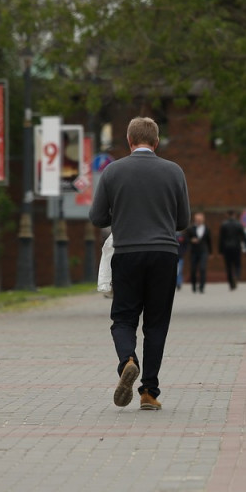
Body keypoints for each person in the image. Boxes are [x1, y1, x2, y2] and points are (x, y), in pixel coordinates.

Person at [90, 116, 191, 411]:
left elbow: (97, 218)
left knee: (123, 318)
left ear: (129, 141)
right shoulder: (174, 171)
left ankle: (127, 360)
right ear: (156, 142)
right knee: (156, 324)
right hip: (164, 253)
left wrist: (121, 214)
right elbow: (183, 221)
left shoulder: (113, 172)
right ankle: (149, 392)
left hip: (128, 253)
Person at [218, 210, 246, 290]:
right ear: (234, 215)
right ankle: (236, 276)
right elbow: (244, 237)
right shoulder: (238, 224)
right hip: (236, 247)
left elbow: (221, 239)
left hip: (226, 248)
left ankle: (231, 283)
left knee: (228, 266)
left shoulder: (224, 225)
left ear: (227, 215)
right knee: (237, 264)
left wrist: (220, 250)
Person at [186, 211, 212, 292]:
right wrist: (191, 240)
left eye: (200, 219)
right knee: (193, 270)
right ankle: (193, 286)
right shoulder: (190, 229)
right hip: (194, 251)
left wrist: (210, 253)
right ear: (195, 219)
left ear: (203, 220)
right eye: (197, 219)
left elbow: (209, 241)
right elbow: (186, 239)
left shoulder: (207, 228)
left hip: (204, 251)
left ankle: (201, 287)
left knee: (202, 268)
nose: (199, 221)